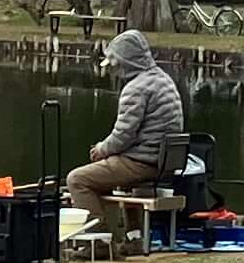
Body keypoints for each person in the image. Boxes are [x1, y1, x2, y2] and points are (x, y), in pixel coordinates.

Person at [64, 28, 188, 228]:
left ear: (125, 62)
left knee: (77, 180)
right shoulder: (163, 79)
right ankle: (134, 237)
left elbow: (123, 135)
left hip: (142, 162)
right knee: (104, 177)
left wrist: (101, 149)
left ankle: (96, 239)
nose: (113, 69)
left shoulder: (136, 88)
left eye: (115, 64)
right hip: (162, 162)